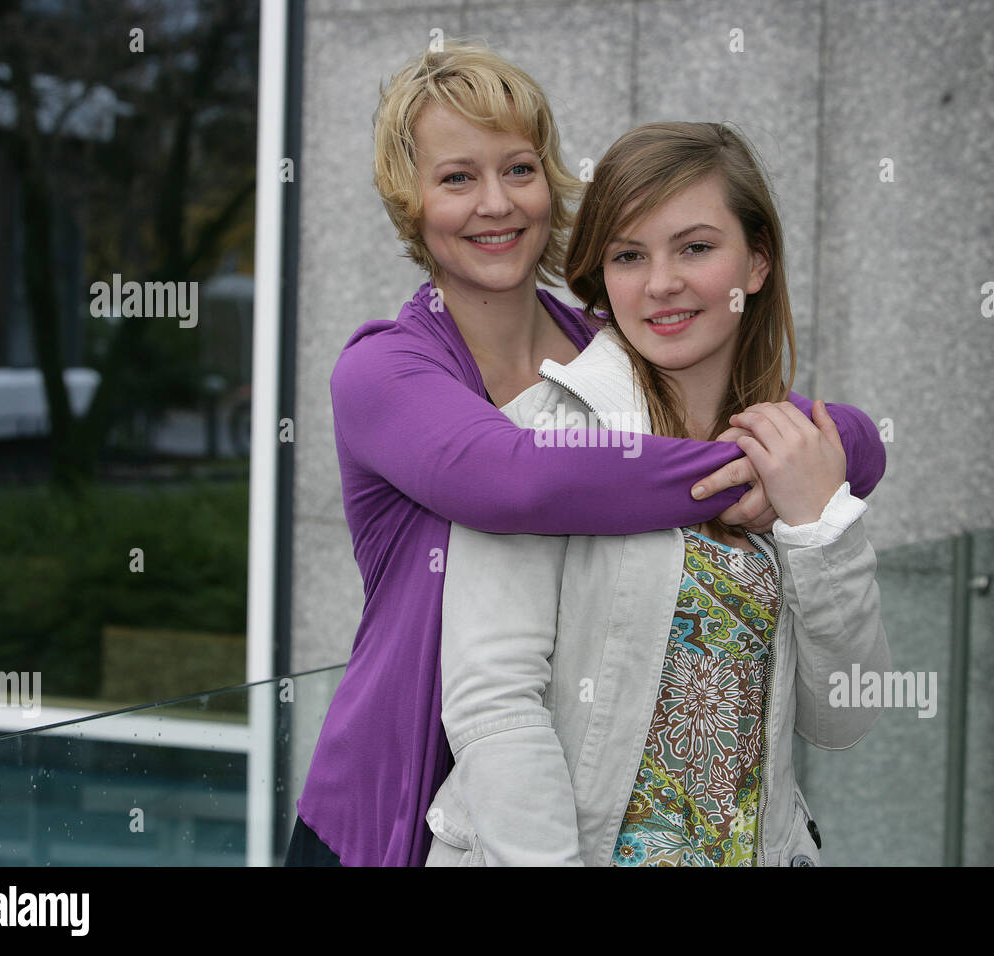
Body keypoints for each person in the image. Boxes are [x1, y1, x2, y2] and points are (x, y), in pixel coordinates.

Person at [288, 42, 887, 867]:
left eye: (520, 168)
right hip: (392, 799)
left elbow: (826, 433)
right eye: (457, 177)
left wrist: (823, 457)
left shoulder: (615, 349)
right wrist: (741, 473)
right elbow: (516, 481)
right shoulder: (386, 369)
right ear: (410, 202)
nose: (495, 202)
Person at [426, 121, 890, 866]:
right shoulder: (542, 439)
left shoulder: (790, 456)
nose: (661, 284)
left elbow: (846, 716)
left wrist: (817, 523)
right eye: (629, 255)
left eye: (696, 248)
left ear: (759, 261)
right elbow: (494, 706)